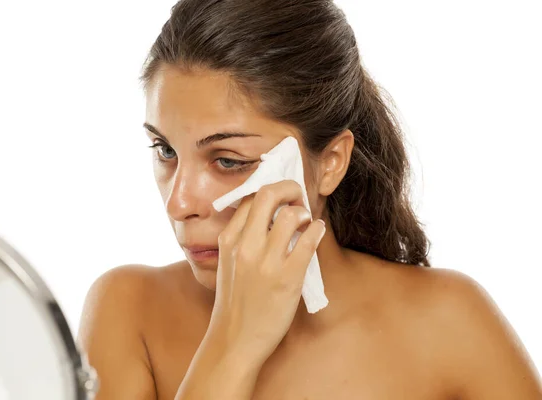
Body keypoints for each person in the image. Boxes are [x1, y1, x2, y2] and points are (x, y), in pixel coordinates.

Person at [77, 0, 542, 398]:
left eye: (228, 161)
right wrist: (233, 345)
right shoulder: (128, 311)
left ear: (331, 163)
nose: (180, 204)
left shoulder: (449, 323)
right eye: (165, 151)